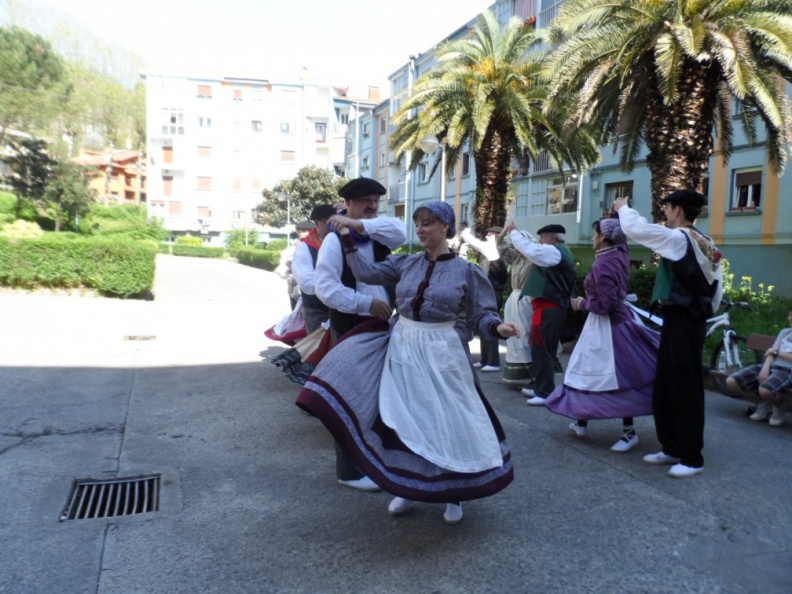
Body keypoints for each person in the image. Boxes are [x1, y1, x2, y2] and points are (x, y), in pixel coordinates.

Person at [297, 201, 518, 524]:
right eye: (418, 223)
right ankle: (410, 487)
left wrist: (498, 328)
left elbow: (482, 315)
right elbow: (365, 272)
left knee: (447, 420)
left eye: (427, 223)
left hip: (443, 352)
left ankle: (453, 493)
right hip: (403, 348)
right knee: (407, 419)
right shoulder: (406, 263)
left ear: (445, 227)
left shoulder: (466, 272)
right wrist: (347, 236)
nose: (420, 229)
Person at [614, 190, 723, 478]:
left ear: (676, 210)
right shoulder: (703, 240)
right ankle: (672, 447)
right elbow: (717, 286)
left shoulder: (679, 238)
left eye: (667, 208)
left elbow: (637, 229)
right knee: (666, 383)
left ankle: (691, 458)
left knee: (684, 387)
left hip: (684, 319)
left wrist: (624, 207)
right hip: (685, 319)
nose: (665, 213)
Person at [313, 177, 406, 492]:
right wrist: (366, 303)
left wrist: (358, 224)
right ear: (348, 203)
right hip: (351, 325)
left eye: (376, 200)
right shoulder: (333, 241)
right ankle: (349, 472)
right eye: (366, 200)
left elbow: (401, 232)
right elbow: (325, 288)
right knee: (349, 398)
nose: (373, 206)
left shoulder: (375, 232)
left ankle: (373, 461)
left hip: (380, 327)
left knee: (377, 398)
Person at [544, 218, 660, 452]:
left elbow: (605, 304)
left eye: (595, 234)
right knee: (594, 372)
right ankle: (581, 421)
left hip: (607, 327)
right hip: (618, 321)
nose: (592, 238)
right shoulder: (620, 255)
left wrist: (581, 303)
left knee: (615, 377)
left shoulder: (603, 264)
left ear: (604, 238)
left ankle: (628, 433)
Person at [504, 222, 576, 406]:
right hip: (550, 306)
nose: (539, 241)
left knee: (542, 348)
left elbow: (529, 249)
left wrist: (513, 232)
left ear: (552, 238)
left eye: (542, 237)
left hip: (550, 306)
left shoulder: (553, 251)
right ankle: (540, 385)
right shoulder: (560, 251)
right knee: (541, 347)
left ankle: (545, 392)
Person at [726, 307, 792, 427]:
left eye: (791, 315)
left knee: (765, 390)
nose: (789, 318)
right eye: (789, 315)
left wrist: (778, 353)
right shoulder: (785, 332)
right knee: (731, 382)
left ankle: (779, 405)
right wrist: (765, 368)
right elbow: (771, 352)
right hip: (771, 364)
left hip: (787, 370)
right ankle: (763, 403)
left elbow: (775, 351)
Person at [461, 226, 508, 372]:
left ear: (498, 236)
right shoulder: (487, 250)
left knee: (491, 321)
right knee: (482, 324)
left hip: (494, 291)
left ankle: (493, 361)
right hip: (485, 290)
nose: (487, 235)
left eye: (490, 234)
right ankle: (485, 359)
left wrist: (466, 233)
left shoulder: (499, 249)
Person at [497, 226, 535, 384]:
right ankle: (516, 375)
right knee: (513, 334)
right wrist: (505, 231)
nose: (516, 248)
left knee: (524, 333)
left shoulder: (534, 258)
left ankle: (531, 375)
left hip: (526, 298)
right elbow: (501, 248)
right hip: (514, 297)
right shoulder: (516, 257)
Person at [291, 204, 335, 333]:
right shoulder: (305, 248)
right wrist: (338, 289)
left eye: (335, 220)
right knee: (320, 344)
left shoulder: (341, 241)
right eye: (327, 221)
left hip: (343, 310)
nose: (333, 225)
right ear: (317, 223)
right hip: (318, 311)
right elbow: (308, 283)